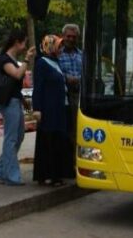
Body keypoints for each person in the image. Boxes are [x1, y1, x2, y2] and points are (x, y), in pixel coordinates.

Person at [0, 29, 36, 186]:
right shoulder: (5, 60)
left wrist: (22, 100)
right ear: (17, 42)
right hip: (8, 102)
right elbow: (17, 75)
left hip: (14, 100)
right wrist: (27, 59)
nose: (24, 46)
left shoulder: (9, 58)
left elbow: (13, 84)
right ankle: (11, 175)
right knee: (11, 138)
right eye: (23, 42)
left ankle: (0, 169)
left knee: (18, 136)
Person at [32, 34, 71, 186]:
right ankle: (49, 175)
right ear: (50, 46)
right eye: (58, 46)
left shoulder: (56, 62)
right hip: (48, 109)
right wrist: (37, 108)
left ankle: (56, 174)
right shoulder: (42, 63)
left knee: (57, 140)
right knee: (49, 141)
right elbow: (39, 87)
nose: (60, 49)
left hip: (59, 107)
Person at [57, 23, 82, 171]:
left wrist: (78, 79)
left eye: (73, 37)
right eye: (68, 36)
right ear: (63, 37)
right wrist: (67, 78)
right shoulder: (58, 54)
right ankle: (68, 163)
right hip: (65, 96)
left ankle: (77, 160)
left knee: (78, 129)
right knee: (68, 130)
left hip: (79, 95)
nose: (71, 39)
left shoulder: (82, 54)